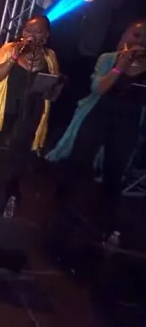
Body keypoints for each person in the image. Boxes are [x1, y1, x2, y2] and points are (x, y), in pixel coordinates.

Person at [47, 20, 146, 236]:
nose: (141, 42)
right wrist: (121, 66)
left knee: (114, 174)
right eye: (137, 35)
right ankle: (62, 214)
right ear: (126, 35)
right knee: (78, 162)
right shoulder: (108, 58)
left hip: (127, 123)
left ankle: (102, 227)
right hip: (97, 115)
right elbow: (98, 88)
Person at [0, 15, 59, 214]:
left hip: (31, 113)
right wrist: (13, 58)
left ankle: (8, 195)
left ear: (46, 35)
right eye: (28, 30)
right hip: (5, 109)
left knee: (18, 157)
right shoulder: (9, 49)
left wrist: (51, 89)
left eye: (37, 31)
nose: (31, 35)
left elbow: (53, 88)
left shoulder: (49, 57)